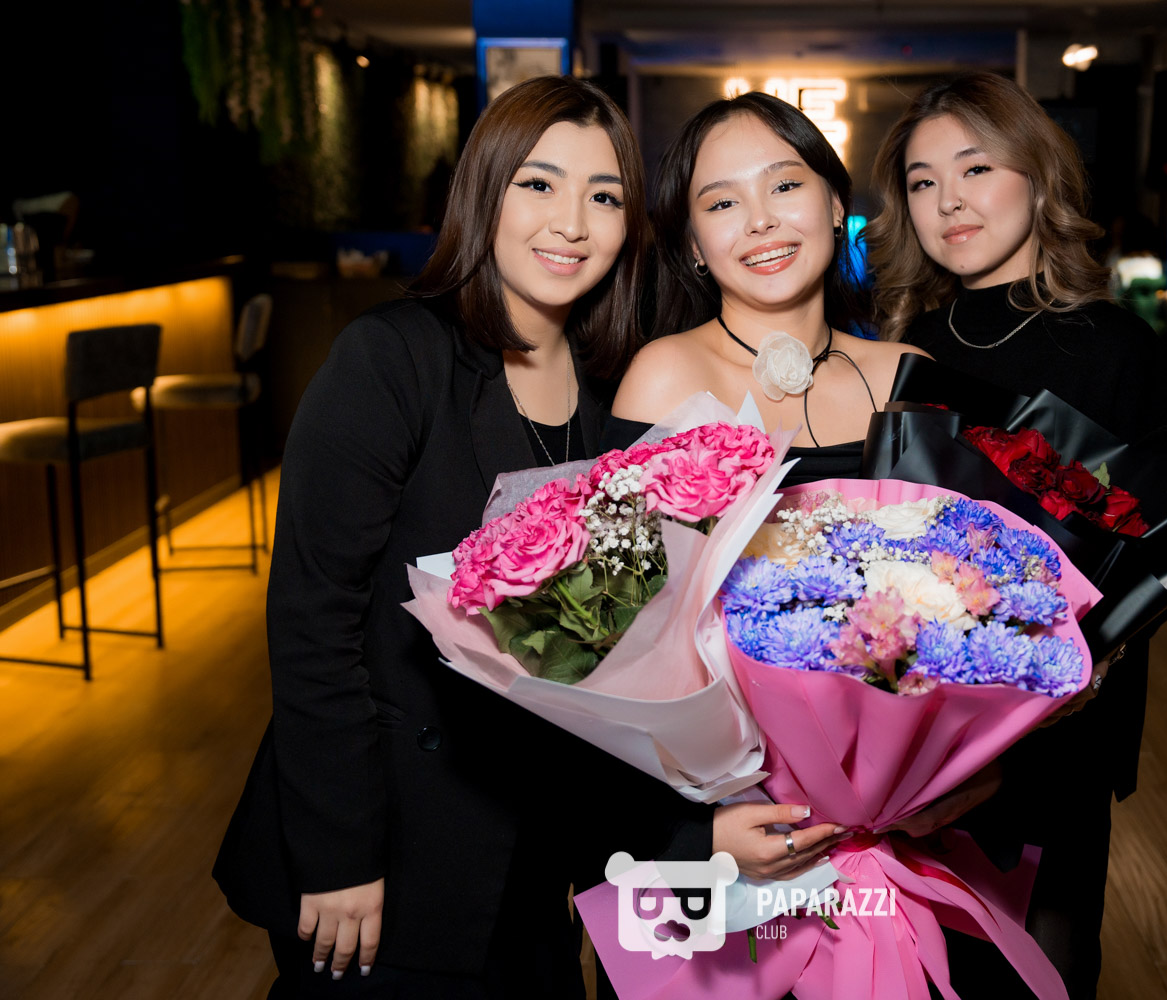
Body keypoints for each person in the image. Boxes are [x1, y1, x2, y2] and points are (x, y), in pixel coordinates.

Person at [213, 75, 690, 998]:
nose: (571, 224)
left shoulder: (617, 391)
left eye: (604, 198)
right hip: (384, 846)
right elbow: (313, 619)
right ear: (485, 191)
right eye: (538, 184)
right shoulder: (392, 357)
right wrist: (341, 854)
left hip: (531, 850)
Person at [865, 72, 1167, 1000]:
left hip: (1053, 743)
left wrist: (1021, 731)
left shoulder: (1118, 348)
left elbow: (1153, 558)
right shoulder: (904, 346)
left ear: (1039, 176)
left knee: (1041, 974)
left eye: (976, 168)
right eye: (923, 181)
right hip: (915, 743)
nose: (949, 201)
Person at [609, 91, 929, 483]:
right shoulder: (665, 380)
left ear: (835, 205)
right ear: (695, 245)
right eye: (723, 204)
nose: (760, 221)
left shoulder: (905, 378)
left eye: (784, 186)